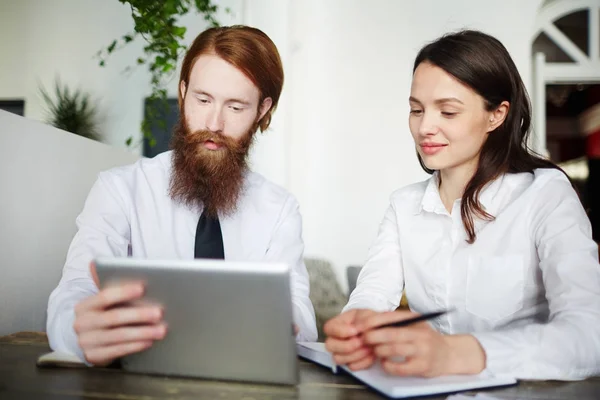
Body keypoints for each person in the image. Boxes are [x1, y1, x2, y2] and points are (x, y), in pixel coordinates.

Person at [324, 29, 600, 381]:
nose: (425, 127)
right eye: (416, 109)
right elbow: (372, 295)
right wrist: (357, 330)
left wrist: (461, 353)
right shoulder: (404, 205)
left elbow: (590, 335)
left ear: (496, 115)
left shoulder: (544, 194)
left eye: (448, 112)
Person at [47, 25, 318, 366]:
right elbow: (74, 290)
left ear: (263, 111)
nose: (214, 123)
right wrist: (79, 330)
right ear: (182, 91)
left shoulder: (279, 209)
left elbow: (302, 317)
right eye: (202, 100)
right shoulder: (119, 190)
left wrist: (281, 324)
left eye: (235, 107)